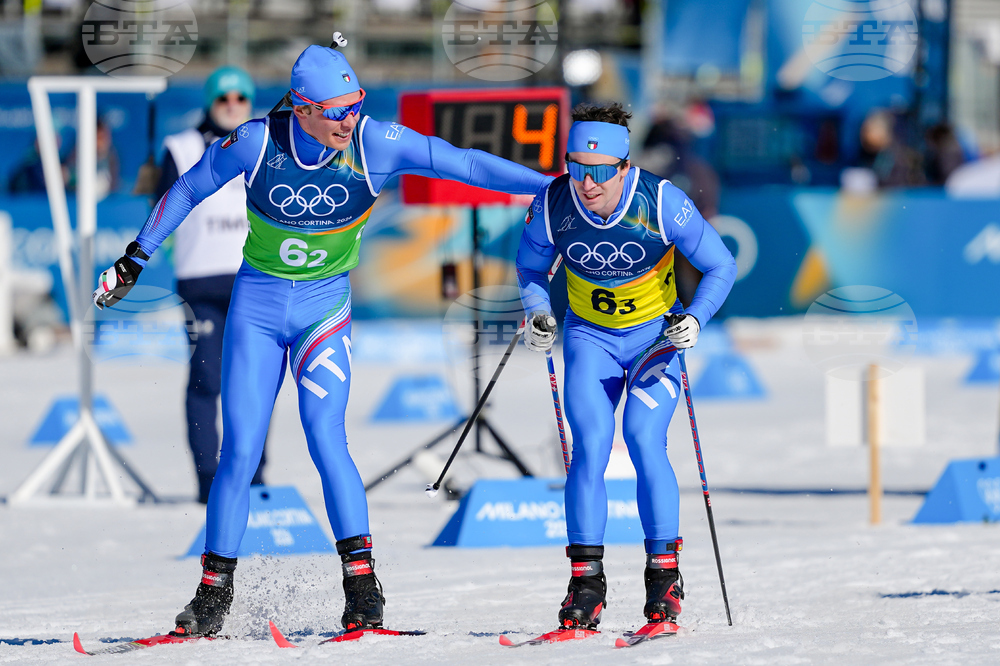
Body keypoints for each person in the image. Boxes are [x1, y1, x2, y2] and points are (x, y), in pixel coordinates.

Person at [91, 42, 551, 637]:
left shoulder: (375, 143)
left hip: (323, 312)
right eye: (337, 111)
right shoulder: (257, 142)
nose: (350, 120)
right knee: (240, 452)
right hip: (256, 313)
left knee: (326, 437)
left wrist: (549, 187)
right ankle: (212, 595)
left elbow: (463, 163)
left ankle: (362, 590)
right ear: (303, 107)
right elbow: (185, 190)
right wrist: (135, 260)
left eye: (356, 105)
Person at [515, 102, 736, 631]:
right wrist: (539, 311)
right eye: (576, 167)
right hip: (591, 340)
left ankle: (664, 581)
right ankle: (585, 586)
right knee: (588, 445)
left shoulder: (661, 201)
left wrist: (698, 319)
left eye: (600, 172)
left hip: (653, 341)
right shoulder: (553, 203)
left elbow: (720, 265)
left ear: (623, 167)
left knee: (642, 438)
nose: (587, 184)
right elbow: (529, 264)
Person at [156, 65, 265, 504]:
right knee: (205, 379)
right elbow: (164, 204)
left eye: (242, 98)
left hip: (255, 277)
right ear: (210, 102)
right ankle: (207, 478)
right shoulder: (180, 147)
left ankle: (254, 476)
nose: (234, 105)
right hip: (201, 280)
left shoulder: (265, 141)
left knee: (255, 381)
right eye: (224, 98)